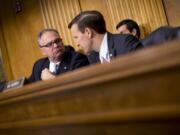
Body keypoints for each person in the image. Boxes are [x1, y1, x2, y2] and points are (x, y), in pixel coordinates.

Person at [68, 10, 143, 64]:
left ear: (88, 32)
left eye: (76, 37)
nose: (76, 44)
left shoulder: (126, 43)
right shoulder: (92, 56)